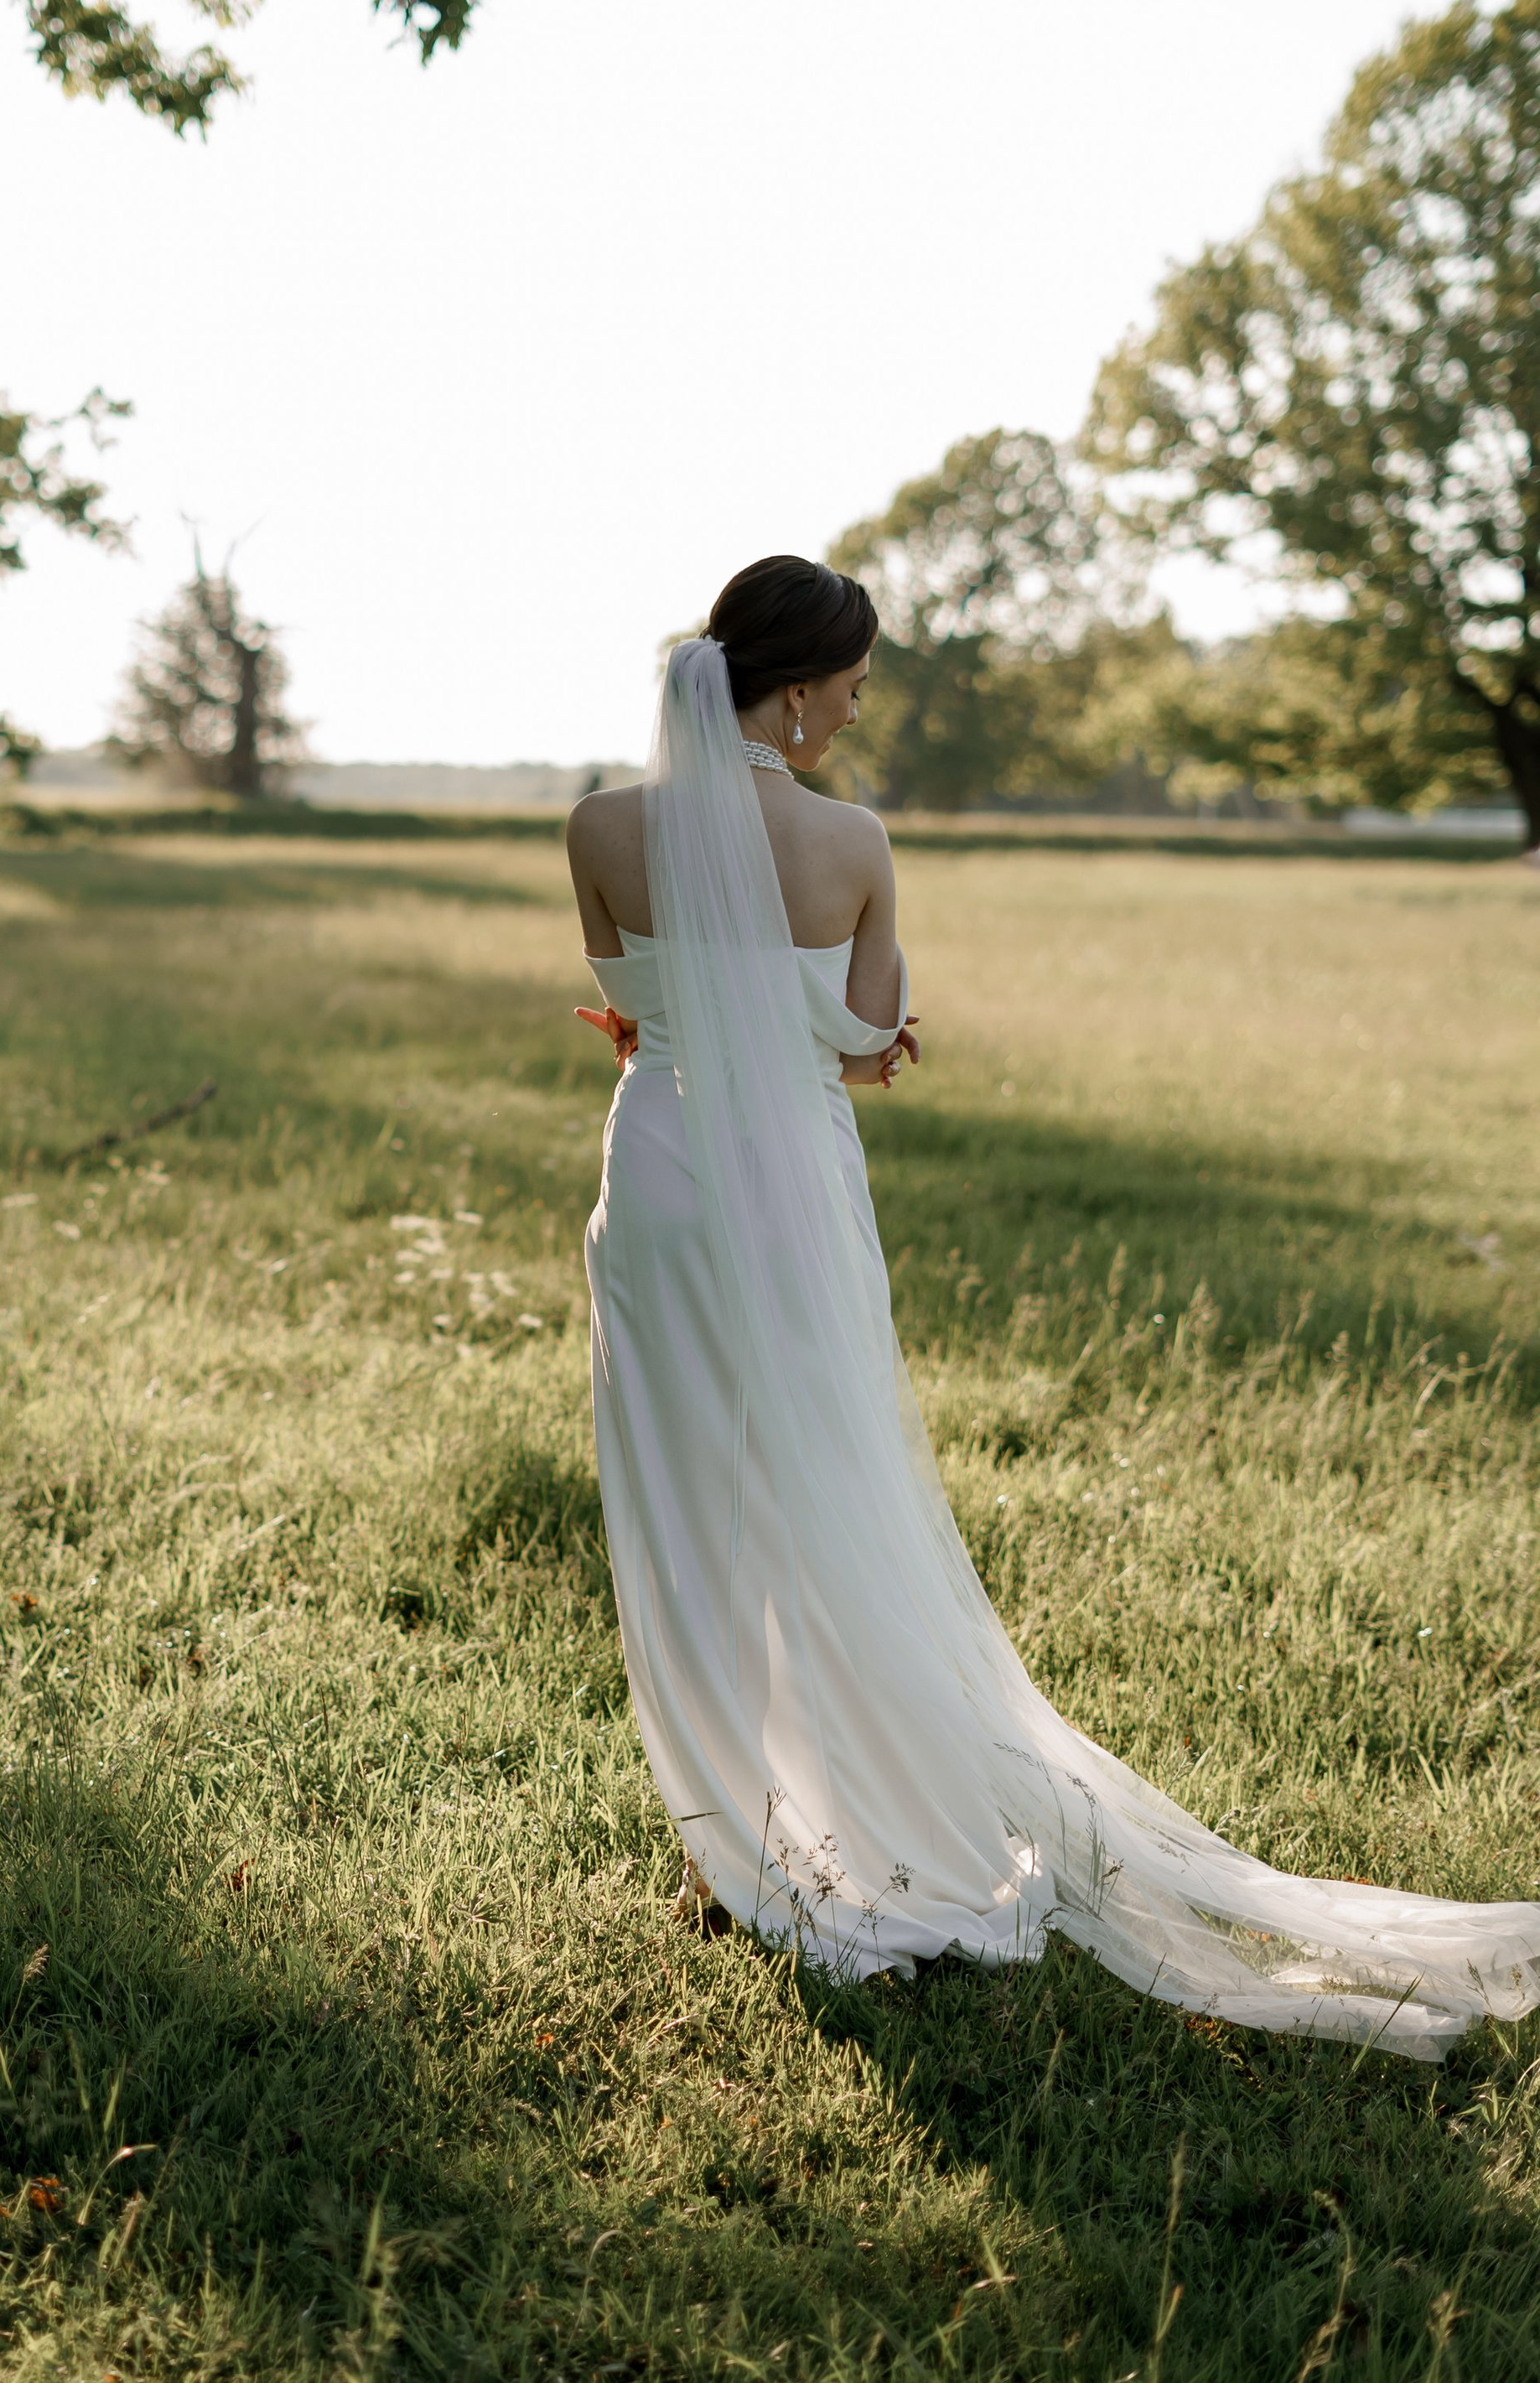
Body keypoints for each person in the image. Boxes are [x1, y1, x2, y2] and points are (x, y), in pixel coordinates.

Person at [565, 554, 1540, 2059]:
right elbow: (870, 1032)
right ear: (807, 689)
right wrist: (855, 1045)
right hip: (795, 1192)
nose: (855, 711)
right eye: (855, 688)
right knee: (824, 1482)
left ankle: (726, 1833)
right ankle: (843, 1818)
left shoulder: (600, 829)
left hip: (665, 1171)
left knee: (690, 1496)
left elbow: (635, 999)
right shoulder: (850, 838)